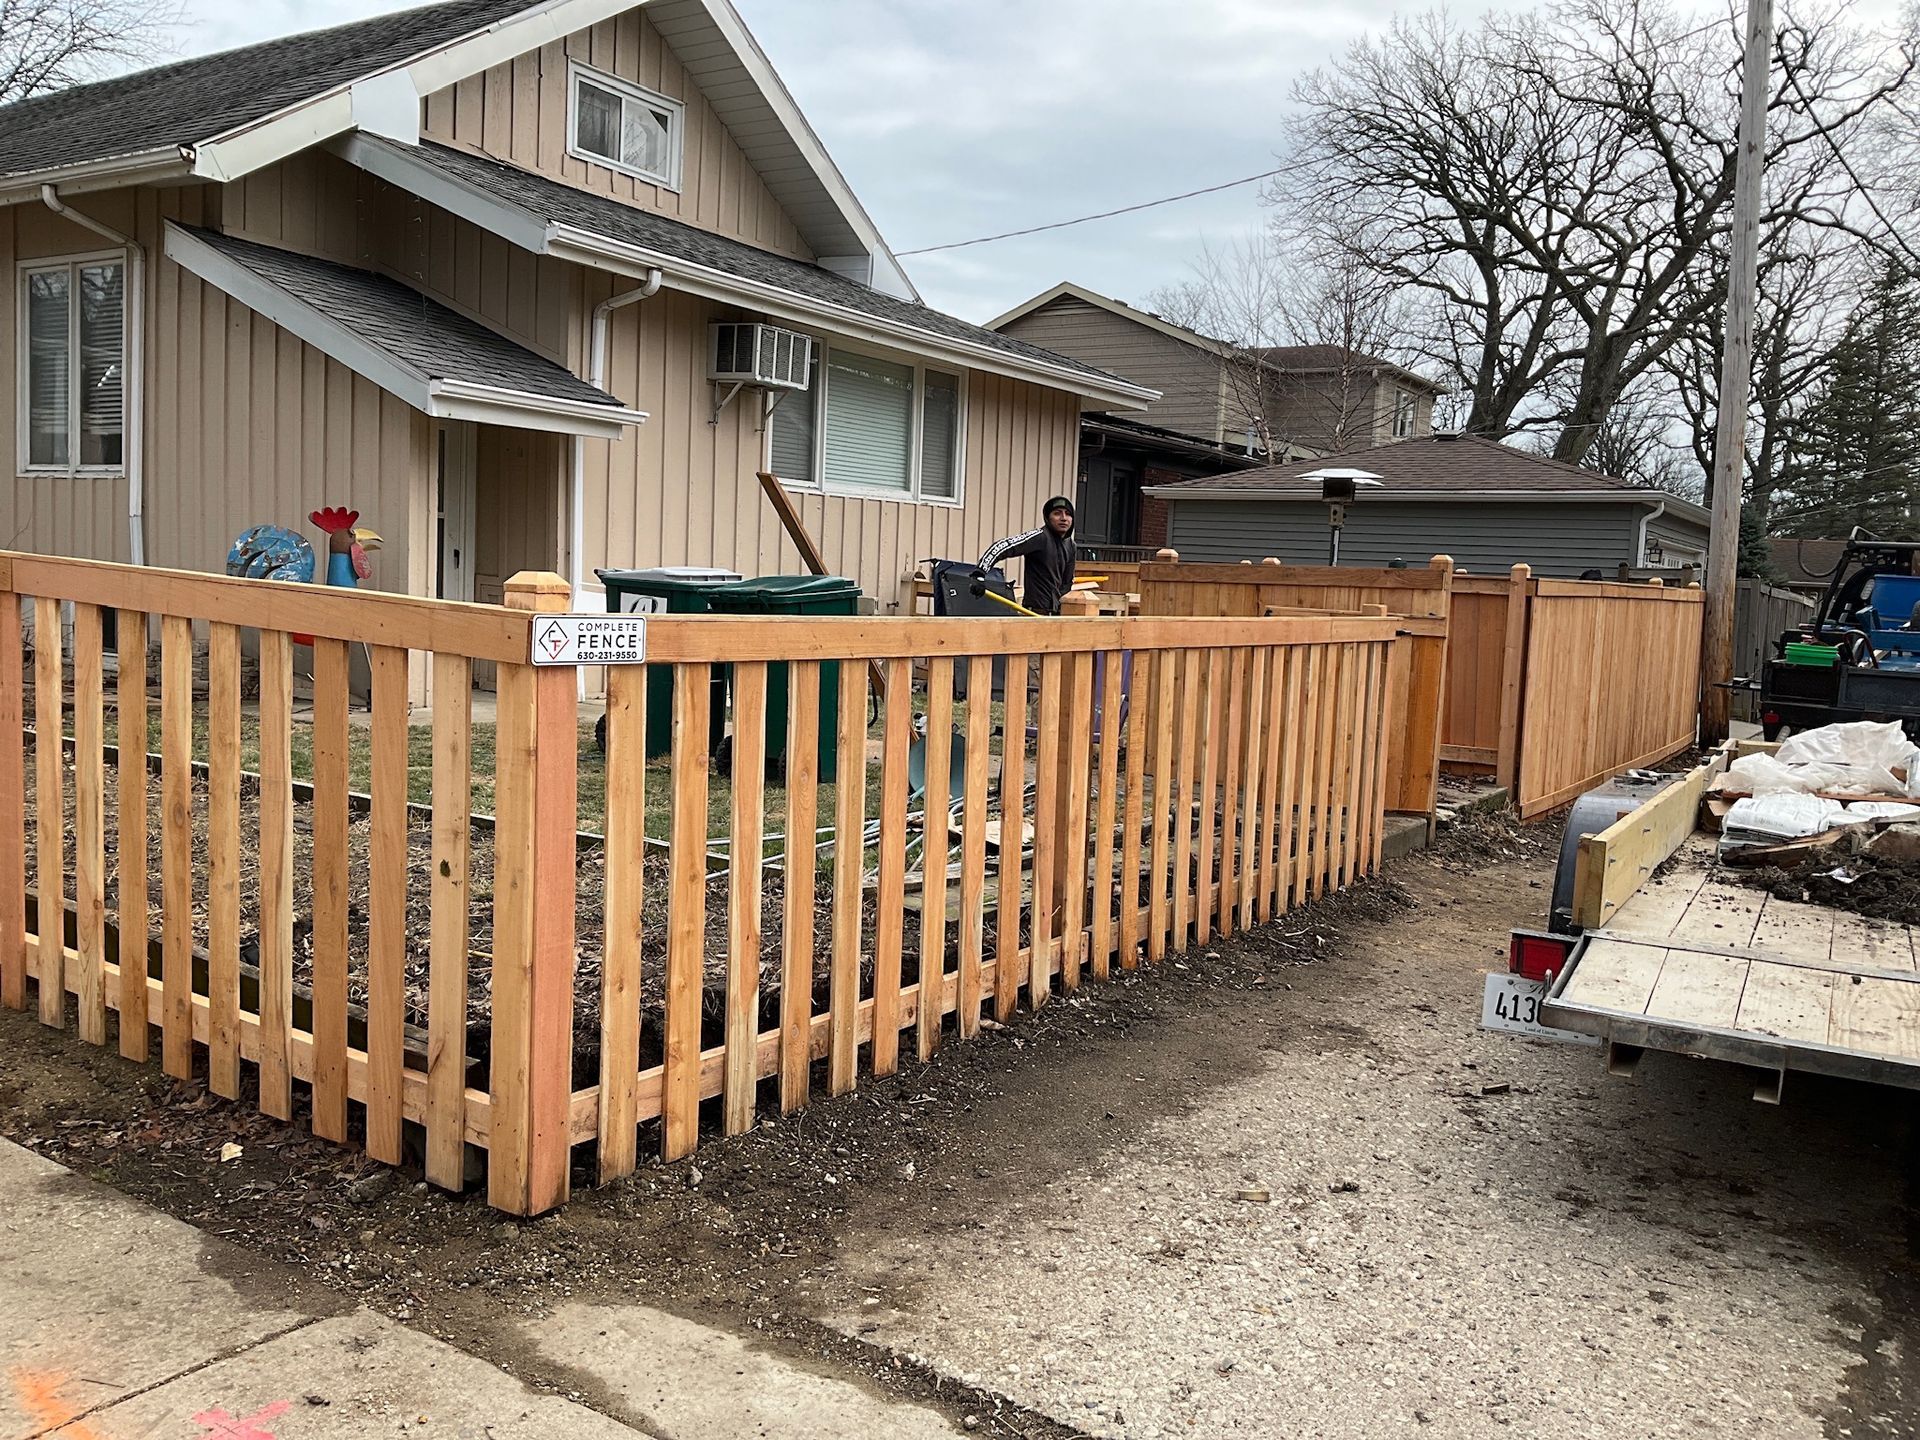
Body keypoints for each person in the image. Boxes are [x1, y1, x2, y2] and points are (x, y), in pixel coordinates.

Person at [981, 496, 1077, 615]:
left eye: (1068, 514)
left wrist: (1059, 606)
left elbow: (1067, 583)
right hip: (1034, 613)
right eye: (1057, 513)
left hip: (1055, 616)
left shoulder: (1071, 546)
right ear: (1048, 518)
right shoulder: (1040, 537)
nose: (1063, 518)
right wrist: (980, 572)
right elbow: (1002, 546)